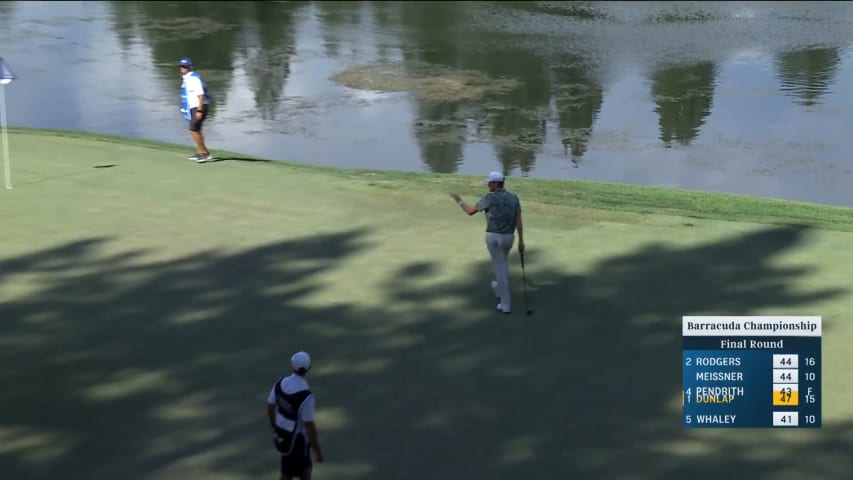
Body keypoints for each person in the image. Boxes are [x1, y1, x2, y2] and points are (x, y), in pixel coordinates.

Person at [450, 171, 525, 314]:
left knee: (500, 269)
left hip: (494, 237)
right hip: (509, 237)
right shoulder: (514, 198)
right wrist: (521, 240)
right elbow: (518, 220)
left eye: (490, 183)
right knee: (502, 264)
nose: (488, 185)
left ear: (496, 183)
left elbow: (470, 211)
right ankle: (498, 288)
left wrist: (459, 200)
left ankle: (505, 304)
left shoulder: (490, 197)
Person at [267, 351, 325, 480]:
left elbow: (270, 406)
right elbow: (309, 427)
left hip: (283, 437)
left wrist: (275, 427)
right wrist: (317, 452)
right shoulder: (306, 396)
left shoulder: (280, 383)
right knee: (305, 472)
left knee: (286, 473)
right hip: (298, 443)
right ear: (308, 368)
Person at [178, 57, 213, 163]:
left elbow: (201, 95)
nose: (183, 68)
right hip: (192, 106)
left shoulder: (194, 78)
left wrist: (199, 110)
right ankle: (200, 153)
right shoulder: (187, 78)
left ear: (190, 67)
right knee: (197, 130)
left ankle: (205, 153)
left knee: (193, 130)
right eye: (182, 66)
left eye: (185, 66)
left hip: (198, 107)